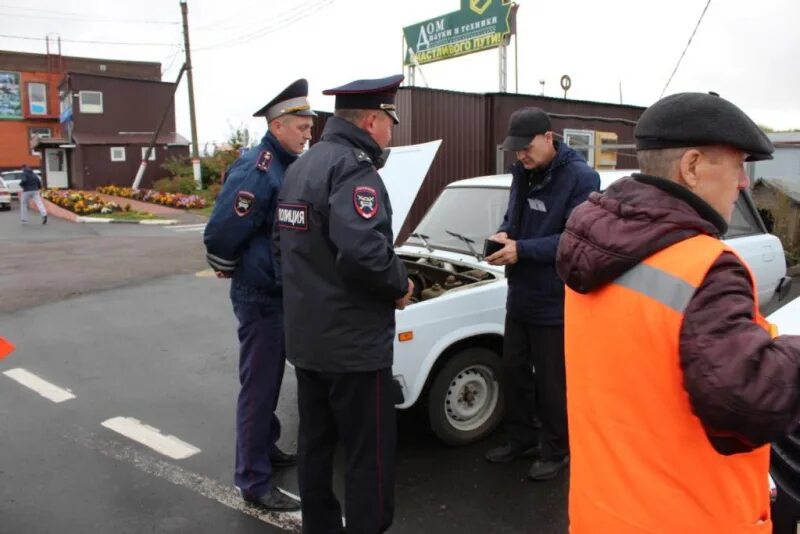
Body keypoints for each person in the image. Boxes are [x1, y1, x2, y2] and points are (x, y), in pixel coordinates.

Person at [556, 92, 800, 532]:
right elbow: (749, 406)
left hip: (600, 512)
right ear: (691, 166)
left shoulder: (589, 245)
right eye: (737, 164)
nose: (744, 181)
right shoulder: (706, 265)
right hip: (690, 517)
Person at [274, 74, 413, 534]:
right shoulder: (354, 169)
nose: (393, 131)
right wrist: (399, 285)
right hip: (354, 347)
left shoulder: (302, 165)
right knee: (366, 455)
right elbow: (364, 252)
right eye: (391, 121)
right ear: (372, 121)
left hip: (309, 340)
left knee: (315, 446)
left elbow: (283, 246)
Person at [203, 78, 316, 512]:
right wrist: (231, 268)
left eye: (310, 127)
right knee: (259, 385)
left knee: (268, 381)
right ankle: (253, 480)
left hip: (276, 291)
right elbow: (222, 232)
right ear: (280, 123)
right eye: (303, 127)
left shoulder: (284, 163)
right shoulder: (260, 167)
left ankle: (265, 449)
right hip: (261, 295)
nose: (308, 134)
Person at [483, 107, 600, 481]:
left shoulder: (581, 177)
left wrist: (522, 249)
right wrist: (504, 234)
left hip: (555, 298)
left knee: (552, 383)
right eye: (515, 149)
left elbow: (575, 238)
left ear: (549, 138)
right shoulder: (524, 171)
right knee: (514, 371)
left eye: (526, 147)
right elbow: (513, 216)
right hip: (520, 293)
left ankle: (556, 448)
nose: (520, 155)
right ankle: (521, 439)